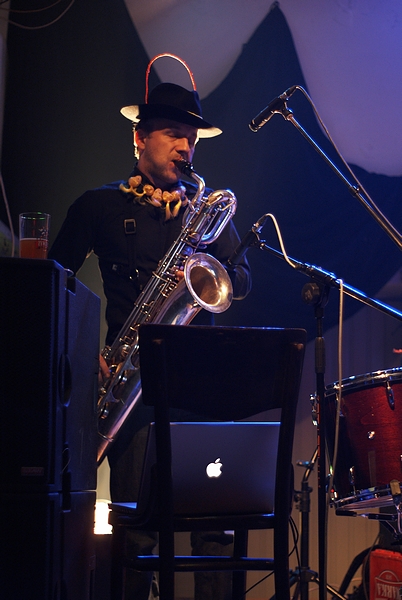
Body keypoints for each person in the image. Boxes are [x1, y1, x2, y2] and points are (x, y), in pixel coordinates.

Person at [49, 62, 251, 600]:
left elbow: (242, 281)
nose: (186, 148)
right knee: (135, 528)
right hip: (132, 387)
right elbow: (53, 282)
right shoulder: (99, 205)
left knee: (214, 528)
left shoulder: (206, 211)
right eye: (174, 135)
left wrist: (206, 264)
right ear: (140, 138)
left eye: (192, 139)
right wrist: (80, 351)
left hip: (200, 384)